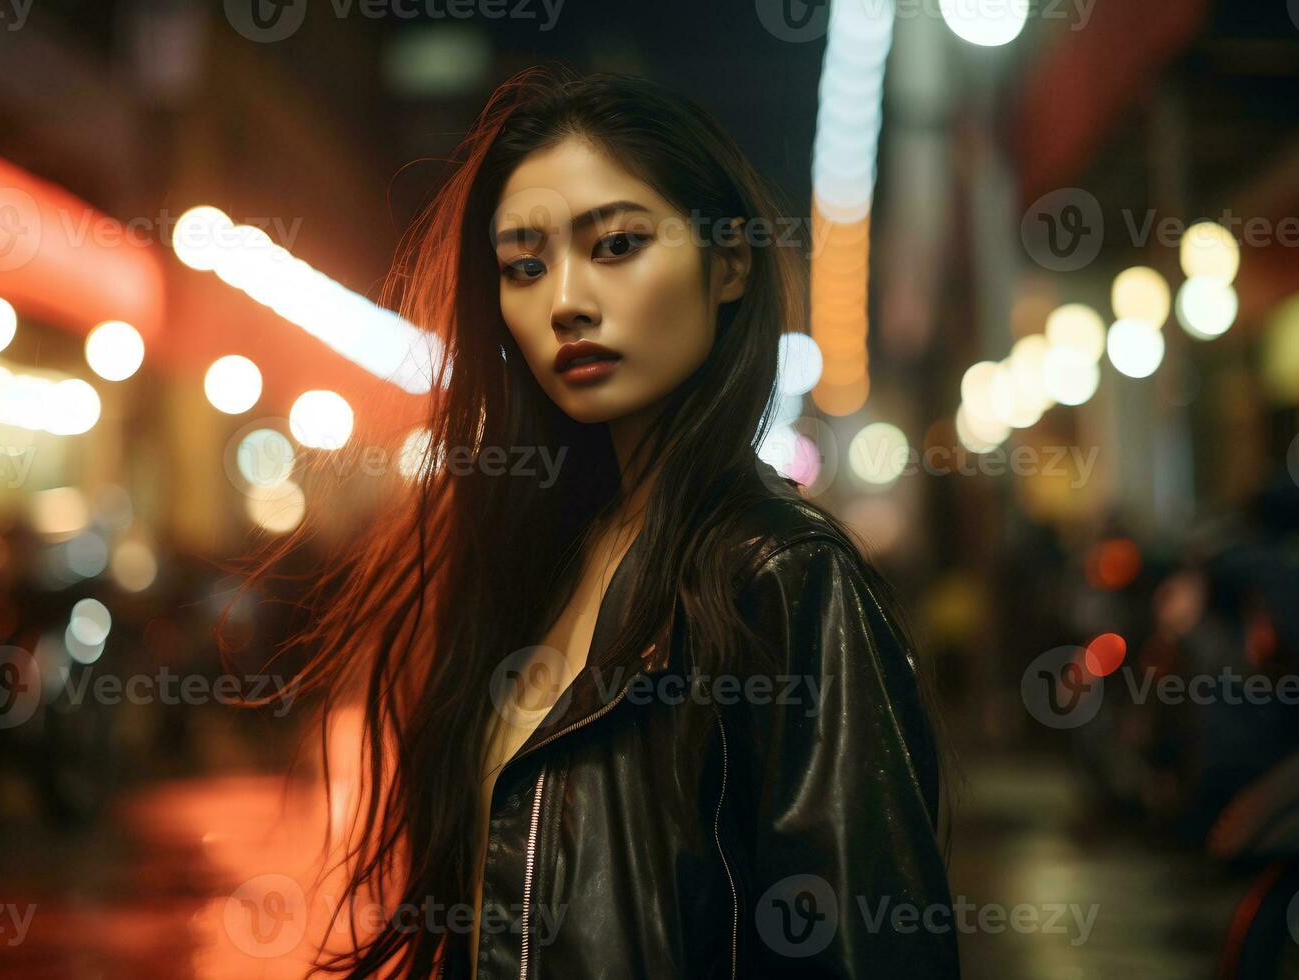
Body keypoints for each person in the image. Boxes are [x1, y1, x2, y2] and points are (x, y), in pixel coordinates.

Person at [238, 66, 957, 979]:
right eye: (523, 266)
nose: (565, 301)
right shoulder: (532, 558)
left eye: (615, 244)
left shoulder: (786, 579)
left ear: (730, 262)